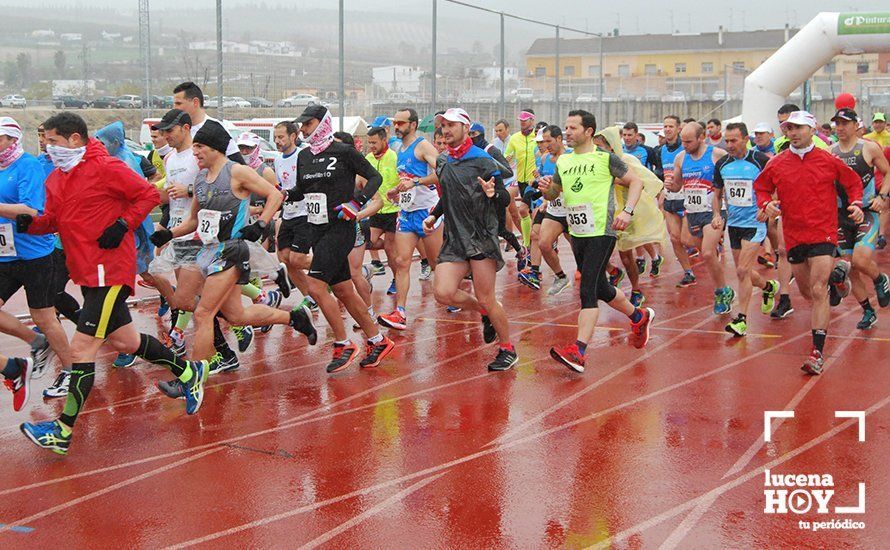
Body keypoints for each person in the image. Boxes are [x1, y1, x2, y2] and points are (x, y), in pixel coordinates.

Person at [16, 112, 209, 455]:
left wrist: (122, 224)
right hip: (86, 271)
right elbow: (55, 221)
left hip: (110, 269)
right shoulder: (57, 179)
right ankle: (189, 372)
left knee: (81, 350)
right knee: (126, 340)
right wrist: (29, 224)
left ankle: (62, 431)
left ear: (75, 139)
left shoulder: (106, 166)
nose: (48, 147)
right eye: (45, 141)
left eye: (53, 141)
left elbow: (147, 196)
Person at [150, 119, 316, 385]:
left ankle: (191, 379)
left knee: (204, 313)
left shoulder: (237, 172)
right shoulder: (200, 179)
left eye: (200, 147)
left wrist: (262, 224)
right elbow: (195, 220)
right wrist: (169, 233)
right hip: (206, 250)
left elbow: (274, 196)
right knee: (231, 314)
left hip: (232, 251)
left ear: (216, 147)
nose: (196, 153)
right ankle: (293, 317)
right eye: (195, 148)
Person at [539, 110, 654, 373]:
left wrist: (627, 212)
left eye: (572, 128)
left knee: (587, 291)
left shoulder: (605, 159)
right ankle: (639, 317)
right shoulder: (564, 162)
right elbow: (557, 190)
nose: (567, 132)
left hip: (602, 231)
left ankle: (578, 351)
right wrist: (548, 188)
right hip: (577, 232)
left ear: (588, 131)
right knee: (601, 287)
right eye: (566, 127)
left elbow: (635, 182)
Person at [285, 105, 394, 373]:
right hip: (317, 229)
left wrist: (356, 203)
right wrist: (285, 194)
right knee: (344, 290)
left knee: (316, 286)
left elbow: (375, 178)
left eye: (308, 124)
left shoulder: (344, 152)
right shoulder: (304, 156)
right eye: (302, 125)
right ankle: (378, 340)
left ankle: (343, 343)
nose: (304, 129)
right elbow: (303, 189)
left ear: (323, 124)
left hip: (341, 229)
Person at [754, 110, 864, 375]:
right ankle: (839, 284)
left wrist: (857, 205)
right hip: (794, 235)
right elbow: (761, 188)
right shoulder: (777, 163)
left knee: (817, 290)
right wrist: (766, 204)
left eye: (798, 128)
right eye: (789, 128)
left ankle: (817, 352)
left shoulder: (828, 159)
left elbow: (853, 183)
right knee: (806, 293)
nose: (792, 133)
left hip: (823, 232)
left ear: (812, 130)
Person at [422, 108, 517, 371]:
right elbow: (449, 194)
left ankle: (508, 348)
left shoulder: (483, 160)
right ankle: (484, 313)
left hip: (481, 237)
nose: (446, 130)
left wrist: (492, 194)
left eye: (452, 125)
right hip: (454, 238)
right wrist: (435, 214)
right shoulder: (443, 161)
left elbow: (505, 197)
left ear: (467, 128)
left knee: (487, 297)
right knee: (442, 292)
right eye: (443, 126)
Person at [0, 116, 71, 391]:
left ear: (11, 139)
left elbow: (32, 210)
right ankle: (37, 341)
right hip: (6, 254)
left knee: (44, 316)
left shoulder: (27, 165)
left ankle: (70, 371)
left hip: (35, 254)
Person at [145, 109, 205, 357]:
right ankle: (262, 300)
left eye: (170, 130)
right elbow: (169, 195)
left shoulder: (198, 155)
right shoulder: (169, 159)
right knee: (194, 294)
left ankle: (178, 336)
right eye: (163, 130)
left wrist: (189, 190)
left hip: (200, 231)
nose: (165, 134)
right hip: (178, 230)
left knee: (185, 295)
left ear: (186, 128)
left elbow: (213, 187)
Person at [711, 122, 779, 337]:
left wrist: (768, 207)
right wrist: (716, 215)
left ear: (745, 139)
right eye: (727, 141)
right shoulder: (722, 164)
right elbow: (716, 193)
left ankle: (742, 319)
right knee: (746, 272)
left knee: (741, 271)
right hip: (735, 224)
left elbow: (776, 188)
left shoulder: (759, 161)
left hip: (755, 223)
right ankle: (768, 287)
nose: (729, 145)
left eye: (734, 140)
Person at [377, 108, 442, 331]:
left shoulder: (422, 146)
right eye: (395, 122)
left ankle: (455, 294)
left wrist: (415, 183)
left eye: (401, 123)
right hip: (406, 213)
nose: (396, 126)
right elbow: (406, 179)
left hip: (427, 211)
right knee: (402, 261)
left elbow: (441, 172)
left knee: (436, 264)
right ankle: (400, 312)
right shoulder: (399, 149)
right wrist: (396, 190)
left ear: (412, 125)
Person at [828, 108, 890, 329]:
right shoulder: (830, 151)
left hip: (866, 211)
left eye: (845, 123)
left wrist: (883, 196)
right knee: (851, 269)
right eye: (837, 123)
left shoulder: (869, 148)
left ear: (856, 125)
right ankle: (868, 311)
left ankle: (880, 279)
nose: (840, 128)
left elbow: (887, 171)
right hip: (841, 215)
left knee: (860, 261)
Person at [593, 126, 668, 308]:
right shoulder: (596, 163)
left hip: (629, 214)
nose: (597, 151)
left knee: (627, 256)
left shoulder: (627, 160)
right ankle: (614, 272)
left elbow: (643, 182)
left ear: (611, 147)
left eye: (600, 147)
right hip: (607, 213)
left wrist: (614, 179)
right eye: (595, 147)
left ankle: (636, 290)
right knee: (595, 252)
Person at [666, 122, 733, 314]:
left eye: (688, 141)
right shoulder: (680, 157)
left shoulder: (716, 155)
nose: (685, 145)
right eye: (683, 141)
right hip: (692, 211)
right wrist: (670, 185)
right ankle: (713, 251)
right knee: (685, 240)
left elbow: (731, 176)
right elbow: (677, 186)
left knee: (708, 253)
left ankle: (722, 291)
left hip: (713, 211)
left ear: (701, 137)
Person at [272, 120, 317, 313]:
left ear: (293, 136)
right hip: (288, 212)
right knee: (284, 258)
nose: (277, 141)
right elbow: (281, 185)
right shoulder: (277, 159)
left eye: (281, 137)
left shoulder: (304, 155)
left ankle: (333, 270)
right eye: (275, 137)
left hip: (305, 212)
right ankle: (310, 297)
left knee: (297, 259)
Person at [521, 125, 570, 295]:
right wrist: (540, 193)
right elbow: (543, 182)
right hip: (552, 208)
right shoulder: (543, 159)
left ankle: (608, 272)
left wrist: (554, 190)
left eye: (548, 141)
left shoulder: (571, 157)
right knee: (541, 240)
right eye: (543, 142)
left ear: (559, 139)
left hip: (572, 209)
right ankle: (550, 275)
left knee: (581, 249)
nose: (545, 145)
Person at [656, 115, 695, 287]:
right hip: (670, 197)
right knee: (674, 238)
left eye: (671, 126)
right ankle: (688, 272)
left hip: (687, 198)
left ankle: (710, 247)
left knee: (687, 239)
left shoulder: (686, 147)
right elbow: (661, 173)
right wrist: (661, 193)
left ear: (679, 128)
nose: (667, 129)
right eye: (665, 126)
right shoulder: (660, 150)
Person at [365, 126, 400, 289]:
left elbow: (403, 179)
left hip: (394, 211)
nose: (371, 146)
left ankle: (397, 279)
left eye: (374, 142)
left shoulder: (394, 157)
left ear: (384, 140)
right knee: (368, 241)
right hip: (376, 209)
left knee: (390, 249)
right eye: (369, 142)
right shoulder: (368, 158)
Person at [505, 110, 538, 253]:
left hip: (536, 181)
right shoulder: (515, 138)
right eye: (520, 120)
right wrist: (507, 158)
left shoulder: (537, 137)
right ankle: (529, 243)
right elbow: (508, 155)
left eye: (525, 120)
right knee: (526, 212)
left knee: (530, 211)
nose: (522, 122)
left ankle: (535, 241)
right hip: (522, 181)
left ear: (532, 120)